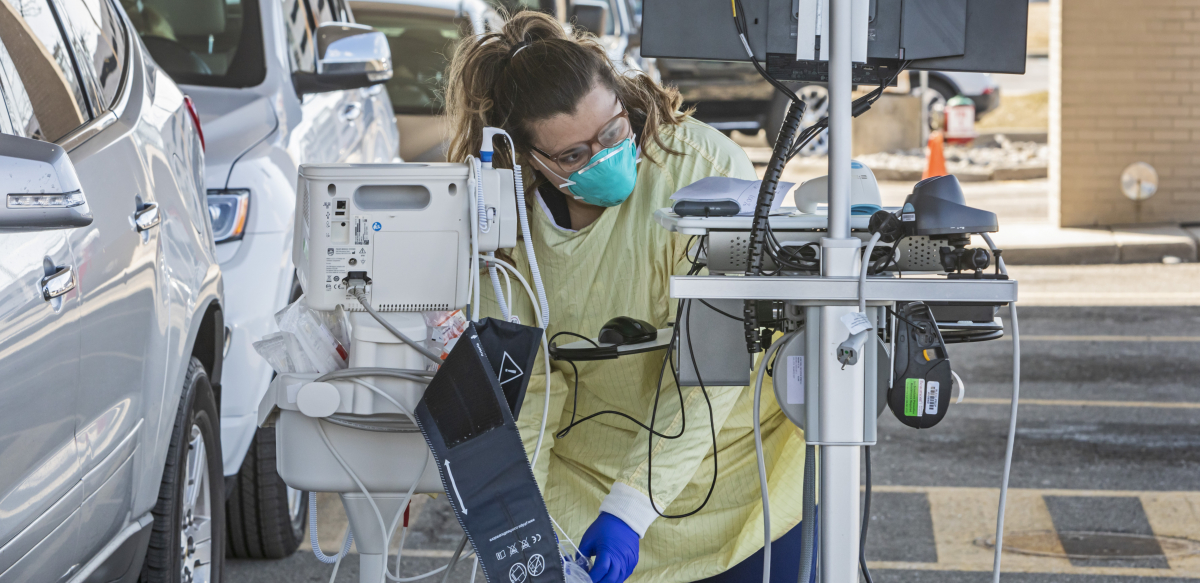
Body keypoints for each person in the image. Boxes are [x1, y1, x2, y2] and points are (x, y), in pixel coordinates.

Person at [445, 11, 813, 583]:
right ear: (528, 158)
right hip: (589, 487)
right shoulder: (505, 226)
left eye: (612, 132)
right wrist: (524, 528)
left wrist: (631, 508)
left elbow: (712, 369)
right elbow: (527, 389)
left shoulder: (701, 172)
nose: (603, 156)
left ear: (621, 96)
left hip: (739, 474)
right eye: (572, 155)